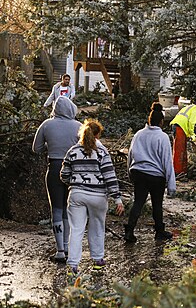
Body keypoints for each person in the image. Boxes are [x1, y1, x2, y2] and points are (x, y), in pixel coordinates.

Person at [60, 119, 124, 274]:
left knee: (76, 230)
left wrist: (74, 182)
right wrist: (117, 198)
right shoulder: (102, 152)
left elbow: (63, 175)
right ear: (97, 135)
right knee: (97, 228)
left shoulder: (72, 151)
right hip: (98, 196)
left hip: (77, 195)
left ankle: (73, 265)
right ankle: (97, 261)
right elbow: (110, 176)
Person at [32, 96, 82, 262]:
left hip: (54, 168)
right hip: (73, 171)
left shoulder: (46, 125)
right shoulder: (78, 126)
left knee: (57, 209)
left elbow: (36, 148)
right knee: (69, 209)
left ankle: (60, 250)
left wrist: (51, 144)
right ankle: (68, 248)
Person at [124, 103, 177, 243]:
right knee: (157, 205)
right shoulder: (163, 137)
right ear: (161, 122)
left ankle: (129, 230)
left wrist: (130, 172)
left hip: (138, 172)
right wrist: (171, 185)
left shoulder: (138, 134)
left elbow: (131, 155)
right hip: (155, 176)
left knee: (138, 202)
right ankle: (159, 232)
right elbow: (167, 162)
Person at [170, 97, 196, 175]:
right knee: (180, 150)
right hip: (180, 127)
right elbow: (191, 123)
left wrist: (189, 135)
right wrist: (193, 135)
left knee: (182, 149)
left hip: (177, 126)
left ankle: (183, 170)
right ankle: (177, 172)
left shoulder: (188, 107)